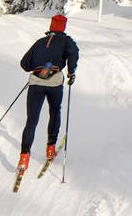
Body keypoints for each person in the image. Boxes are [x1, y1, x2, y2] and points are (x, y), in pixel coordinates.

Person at [17, 14, 79, 172]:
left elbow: (25, 64)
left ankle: (24, 158)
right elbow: (73, 53)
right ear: (63, 27)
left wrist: (38, 65)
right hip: (55, 83)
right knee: (55, 112)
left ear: (51, 26)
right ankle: (50, 148)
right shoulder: (67, 41)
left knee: (31, 120)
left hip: (36, 83)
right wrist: (71, 72)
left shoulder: (40, 42)